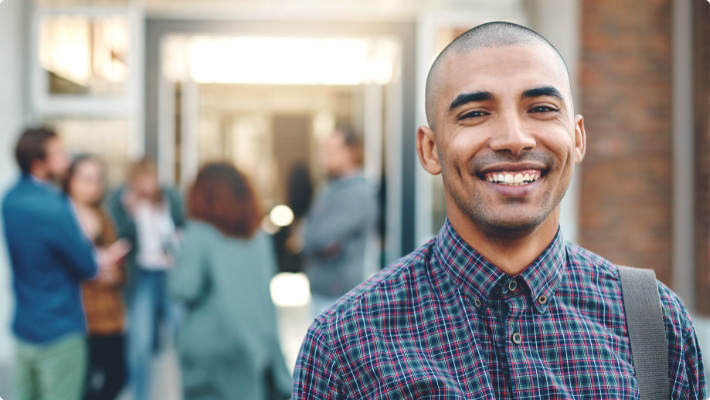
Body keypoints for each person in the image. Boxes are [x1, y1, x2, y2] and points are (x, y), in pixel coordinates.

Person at [293, 22, 706, 398]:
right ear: (430, 149)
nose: (514, 138)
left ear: (577, 138)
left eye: (541, 108)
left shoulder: (655, 324)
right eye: (475, 114)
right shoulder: (344, 344)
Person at [2, 127, 124, 400]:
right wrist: (100, 260)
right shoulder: (55, 206)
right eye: (57, 153)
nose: (66, 159)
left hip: (25, 326)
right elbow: (87, 266)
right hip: (60, 328)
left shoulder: (10, 199)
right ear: (38, 164)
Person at [168, 162, 292, 400]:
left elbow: (184, 288)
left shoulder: (199, 233)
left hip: (211, 349)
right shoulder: (258, 238)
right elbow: (266, 298)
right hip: (252, 344)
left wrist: (176, 261)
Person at [107, 157, 184, 400]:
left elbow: (182, 228)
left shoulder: (170, 198)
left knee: (181, 331)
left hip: (170, 272)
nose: (145, 186)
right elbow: (120, 238)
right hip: (142, 275)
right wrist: (131, 214)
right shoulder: (122, 201)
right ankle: (140, 395)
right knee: (140, 341)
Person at [63, 155, 129, 400]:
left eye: (97, 180)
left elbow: (120, 266)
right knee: (80, 381)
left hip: (109, 313)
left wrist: (115, 272)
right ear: (70, 180)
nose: (93, 186)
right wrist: (93, 269)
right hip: (80, 316)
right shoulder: (63, 216)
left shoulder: (103, 215)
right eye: (86, 179)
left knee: (117, 376)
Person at [301, 128, 378, 317]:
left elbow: (318, 239)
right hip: (321, 293)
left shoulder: (358, 193)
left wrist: (313, 238)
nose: (324, 155)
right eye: (325, 149)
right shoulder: (329, 188)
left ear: (351, 152)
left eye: (332, 149)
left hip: (340, 297)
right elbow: (308, 235)